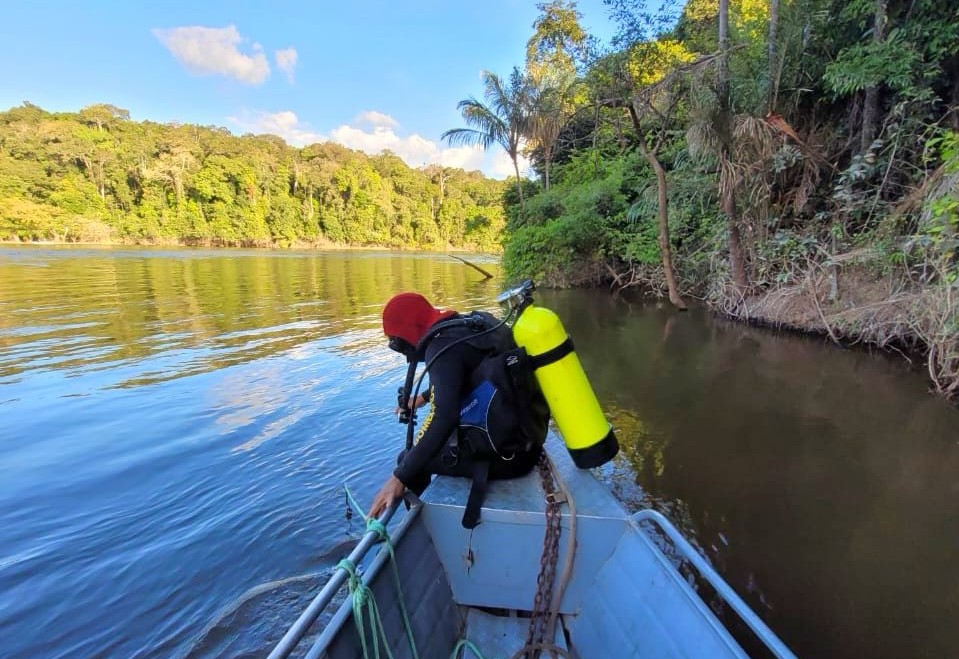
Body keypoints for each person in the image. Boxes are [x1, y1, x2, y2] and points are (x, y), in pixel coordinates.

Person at [368, 292, 544, 520]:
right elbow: (469, 375)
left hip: (511, 459)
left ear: (408, 334)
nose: (400, 350)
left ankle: (425, 522)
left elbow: (444, 418)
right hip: (528, 435)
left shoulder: (441, 349)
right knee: (418, 457)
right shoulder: (468, 327)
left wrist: (398, 478)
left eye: (396, 343)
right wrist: (422, 398)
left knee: (407, 459)